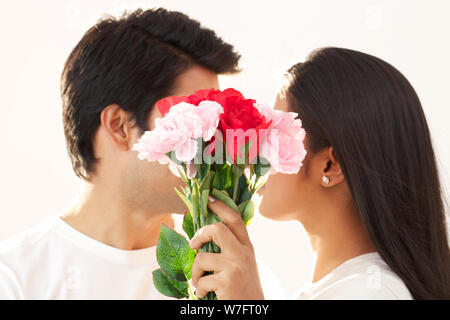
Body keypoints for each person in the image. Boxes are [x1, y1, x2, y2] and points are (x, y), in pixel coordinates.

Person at [0, 8, 241, 299]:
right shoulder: (15, 280)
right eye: (195, 120)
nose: (216, 144)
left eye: (216, 121)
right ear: (119, 127)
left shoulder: (229, 279)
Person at [189, 47, 450, 300]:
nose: (254, 149)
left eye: (274, 136)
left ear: (330, 166)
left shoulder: (370, 292)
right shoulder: (335, 289)